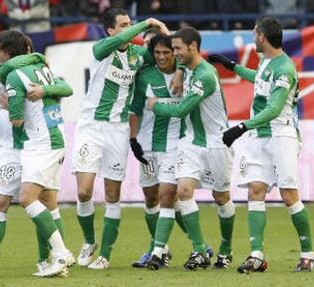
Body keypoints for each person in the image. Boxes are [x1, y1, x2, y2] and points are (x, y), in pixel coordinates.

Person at [209, 15, 314, 273]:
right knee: (255, 189)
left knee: (289, 195)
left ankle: (308, 254)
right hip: (261, 137)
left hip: (282, 135)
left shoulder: (285, 68)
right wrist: (232, 66)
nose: (252, 37)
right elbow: (258, 79)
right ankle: (257, 255)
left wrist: (241, 127)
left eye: (253, 33)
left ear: (261, 37)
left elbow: (274, 108)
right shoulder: (267, 63)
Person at [71, 8, 173, 270]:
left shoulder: (138, 56)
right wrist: (146, 22)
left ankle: (104, 256)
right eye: (124, 25)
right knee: (83, 192)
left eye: (131, 24)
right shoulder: (101, 50)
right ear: (111, 31)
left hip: (118, 130)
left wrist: (162, 33)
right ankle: (89, 241)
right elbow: (121, 41)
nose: (130, 28)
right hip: (91, 127)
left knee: (112, 195)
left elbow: (168, 54)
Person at [0, 34, 74, 277]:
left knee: (42, 201)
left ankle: (51, 258)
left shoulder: (19, 73)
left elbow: (60, 91)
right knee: (0, 201)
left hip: (31, 143)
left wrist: (14, 106)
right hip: (12, 146)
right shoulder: (14, 72)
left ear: (7, 51)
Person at [147, 27, 235, 271]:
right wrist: (180, 70)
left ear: (193, 47)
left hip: (217, 143)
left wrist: (155, 106)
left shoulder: (206, 75)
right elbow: (184, 66)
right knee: (184, 191)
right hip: (191, 142)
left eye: (177, 49)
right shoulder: (188, 68)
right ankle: (199, 250)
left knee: (221, 197)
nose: (174, 54)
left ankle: (226, 248)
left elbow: (181, 110)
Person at [130, 33, 212, 269]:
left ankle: (158, 249)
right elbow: (135, 109)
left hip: (176, 144)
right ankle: (171, 247)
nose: (162, 57)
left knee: (168, 195)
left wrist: (180, 71)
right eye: (157, 53)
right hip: (147, 144)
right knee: (150, 197)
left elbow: (194, 58)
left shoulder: (188, 72)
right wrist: (133, 139)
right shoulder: (145, 75)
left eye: (167, 52)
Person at [0, 30, 72, 277]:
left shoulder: (12, 75)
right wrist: (45, 91)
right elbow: (65, 87)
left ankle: (61, 255)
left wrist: (7, 105)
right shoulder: (41, 67)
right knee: (49, 202)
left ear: (7, 52)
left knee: (27, 199)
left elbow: (17, 121)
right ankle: (54, 261)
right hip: (55, 136)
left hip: (42, 143)